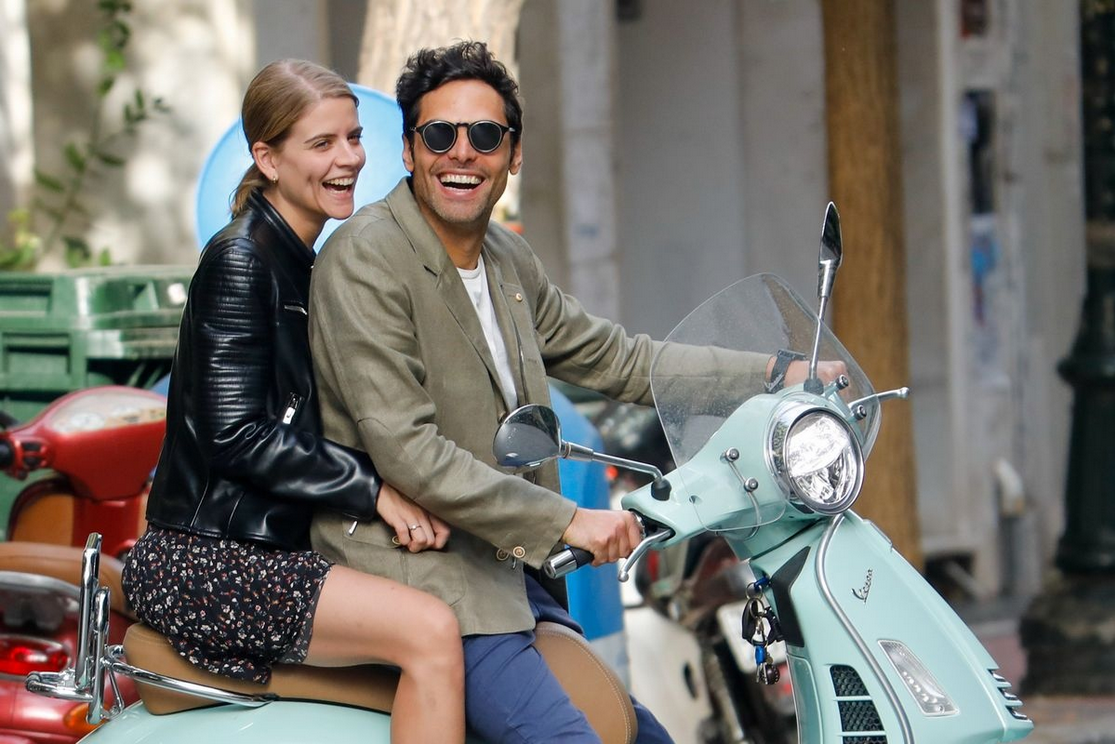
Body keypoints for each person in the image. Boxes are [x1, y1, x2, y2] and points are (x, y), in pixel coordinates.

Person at [307, 41, 829, 743]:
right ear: (408, 150)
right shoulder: (366, 258)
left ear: (513, 155)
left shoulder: (505, 257)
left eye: (484, 135)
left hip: (505, 574)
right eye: (439, 135)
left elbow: (616, 357)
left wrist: (772, 374)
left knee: (642, 735)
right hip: (421, 575)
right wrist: (565, 519)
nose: (462, 153)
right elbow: (409, 450)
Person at [121, 59, 465, 744]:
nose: (348, 159)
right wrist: (373, 491)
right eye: (322, 143)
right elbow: (235, 434)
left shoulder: (301, 259)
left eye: (354, 137)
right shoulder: (242, 260)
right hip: (209, 558)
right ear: (268, 159)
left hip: (264, 543)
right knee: (431, 631)